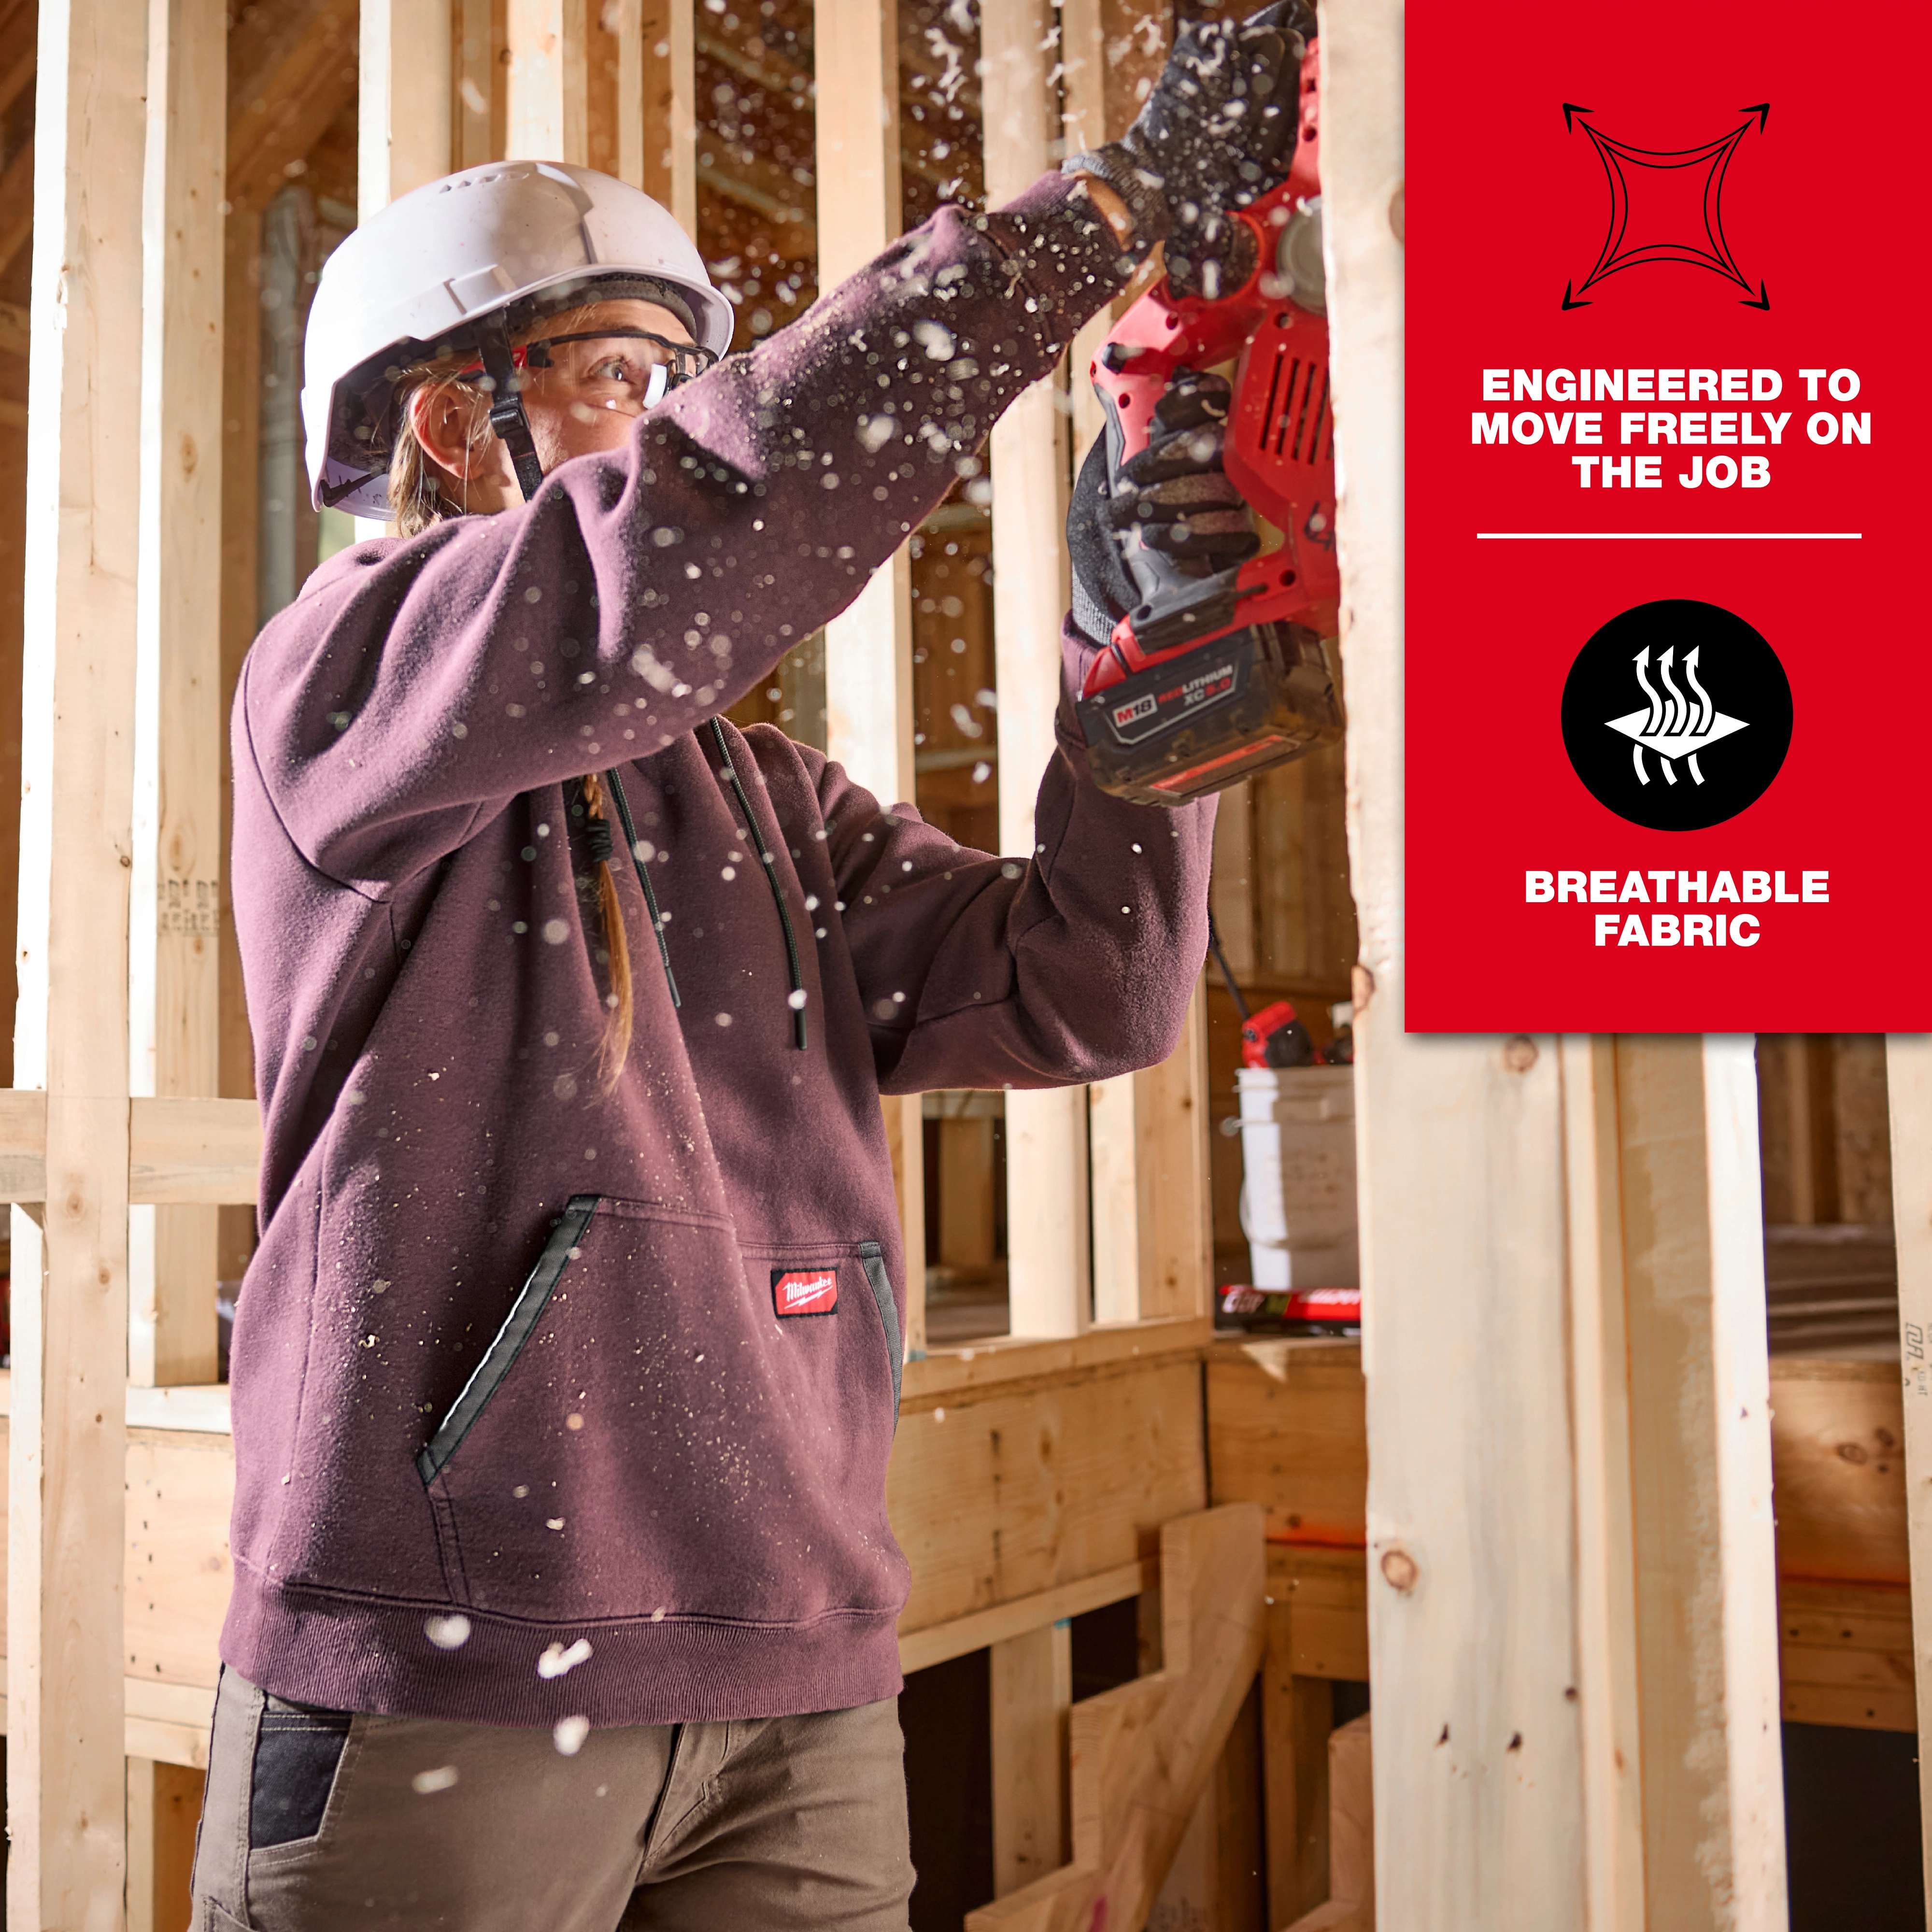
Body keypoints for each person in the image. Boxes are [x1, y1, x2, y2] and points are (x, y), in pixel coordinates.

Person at [190, 7, 1307, 1927]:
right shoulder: (344, 674)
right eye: (635, 374)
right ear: (457, 417)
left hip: (794, 1668)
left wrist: (1147, 643)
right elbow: (677, 550)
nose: (684, 412)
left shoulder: (764, 800)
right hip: (451, 1671)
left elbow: (1090, 979)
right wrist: (1090, 219)